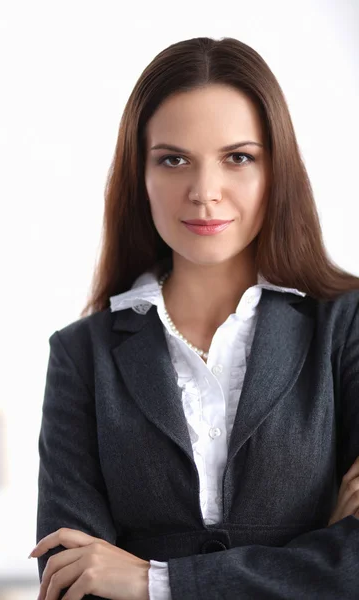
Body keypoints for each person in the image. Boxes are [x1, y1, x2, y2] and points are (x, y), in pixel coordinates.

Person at [33, 37, 359, 600]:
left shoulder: (346, 326)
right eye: (174, 159)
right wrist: (313, 554)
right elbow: (72, 579)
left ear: (276, 169)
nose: (204, 192)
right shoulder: (80, 354)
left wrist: (153, 579)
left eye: (238, 157)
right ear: (140, 175)